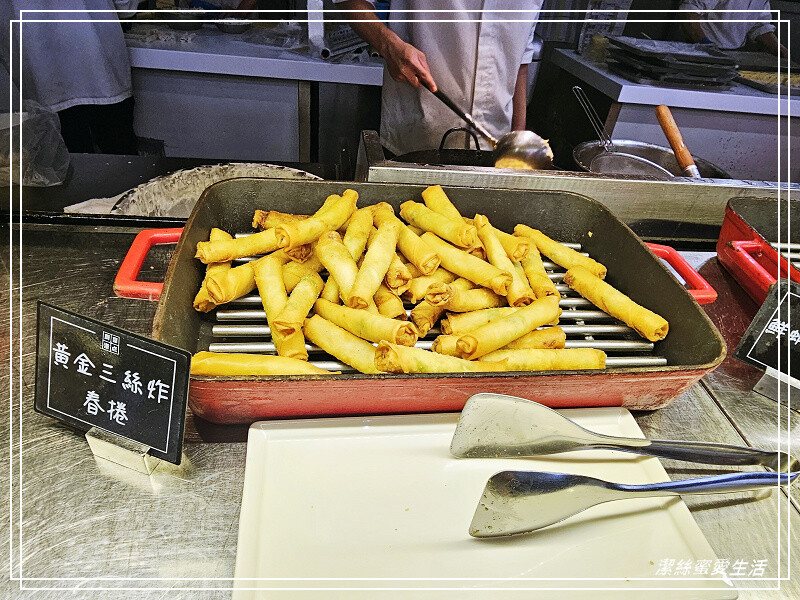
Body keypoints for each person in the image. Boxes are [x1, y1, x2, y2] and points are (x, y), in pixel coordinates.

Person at [336, 1, 541, 156]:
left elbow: (520, 52)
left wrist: (517, 140)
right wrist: (388, 46)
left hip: (494, 145)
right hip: (417, 139)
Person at [1, 0, 140, 154]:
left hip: (39, 71)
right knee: (124, 163)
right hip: (98, 63)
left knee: (67, 168)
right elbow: (126, 7)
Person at [680, 0, 787, 57]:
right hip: (697, 50)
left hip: (733, 54)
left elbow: (759, 25)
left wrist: (777, 47)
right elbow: (688, 13)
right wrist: (705, 44)